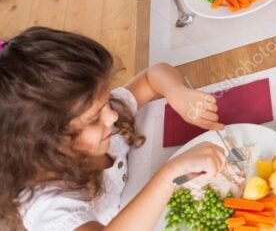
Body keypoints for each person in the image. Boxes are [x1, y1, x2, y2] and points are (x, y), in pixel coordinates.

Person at [0, 27, 226, 230]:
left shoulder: (99, 114)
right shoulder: (46, 204)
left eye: (107, 100)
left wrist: (178, 92)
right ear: (45, 141)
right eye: (93, 119)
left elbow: (152, 76)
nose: (113, 116)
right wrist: (169, 175)